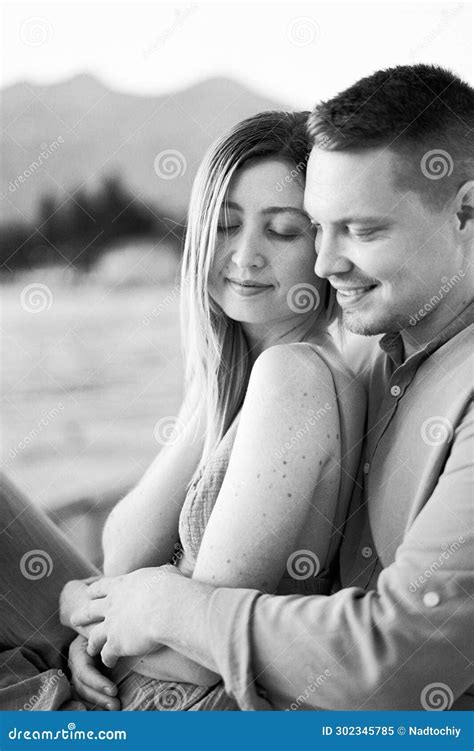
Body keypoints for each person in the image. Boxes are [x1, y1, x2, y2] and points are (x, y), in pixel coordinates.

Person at [70, 64, 474, 711]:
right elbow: (120, 552)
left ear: (467, 211)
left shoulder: (313, 371)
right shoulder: (373, 343)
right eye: (319, 227)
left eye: (360, 230)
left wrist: (160, 609)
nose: (322, 262)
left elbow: (394, 657)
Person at [0, 111, 365, 710]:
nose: (245, 256)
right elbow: (121, 552)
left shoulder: (293, 375)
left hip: (168, 705)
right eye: (224, 225)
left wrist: (85, 626)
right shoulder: (247, 368)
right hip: (131, 675)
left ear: (322, 245)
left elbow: (200, 650)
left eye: (282, 231)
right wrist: (216, 376)